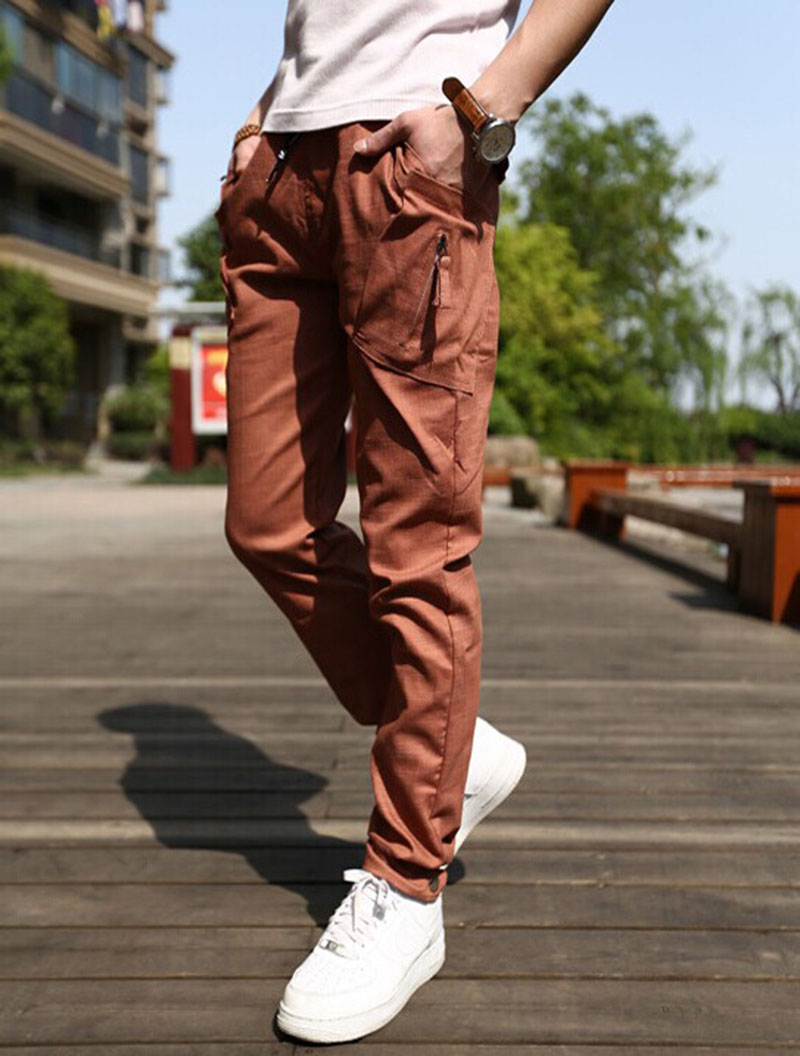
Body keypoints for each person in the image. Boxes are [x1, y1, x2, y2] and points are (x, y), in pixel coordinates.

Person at [214, 0, 615, 1042]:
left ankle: (405, 886)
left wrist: (479, 110)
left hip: (411, 157)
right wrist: (259, 123)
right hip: (282, 167)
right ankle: (452, 752)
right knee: (267, 522)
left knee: (417, 550)